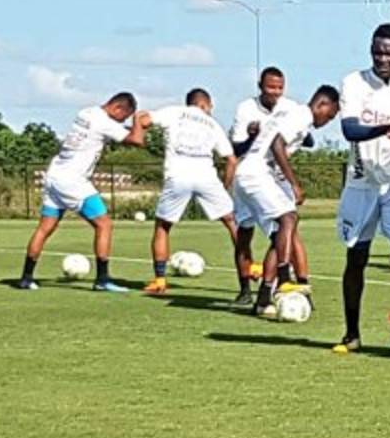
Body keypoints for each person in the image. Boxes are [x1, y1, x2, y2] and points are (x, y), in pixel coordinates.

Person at [332, 24, 390, 353]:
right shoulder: (353, 83)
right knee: (356, 258)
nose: (382, 58)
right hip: (361, 185)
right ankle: (351, 334)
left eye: (389, 52)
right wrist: (389, 127)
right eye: (377, 51)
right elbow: (350, 129)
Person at [18, 92, 150, 292]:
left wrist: (128, 125)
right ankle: (102, 280)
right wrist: (138, 122)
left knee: (45, 228)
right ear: (118, 109)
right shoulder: (103, 122)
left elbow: (116, 130)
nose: (122, 121)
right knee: (104, 224)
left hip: (54, 175)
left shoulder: (86, 112)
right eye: (123, 116)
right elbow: (137, 140)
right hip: (72, 181)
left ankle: (26, 278)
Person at [234, 85, 340, 316]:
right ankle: (283, 279)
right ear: (322, 104)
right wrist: (294, 183)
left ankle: (263, 299)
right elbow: (277, 144)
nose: (327, 121)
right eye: (330, 115)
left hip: (248, 174)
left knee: (282, 235)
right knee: (289, 218)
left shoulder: (291, 114)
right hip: (255, 173)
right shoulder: (302, 115)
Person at [229, 67, 313, 307]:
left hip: (273, 178)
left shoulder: (290, 108)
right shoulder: (246, 108)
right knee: (246, 234)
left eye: (279, 87)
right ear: (260, 86)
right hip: (249, 176)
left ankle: (284, 290)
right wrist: (252, 137)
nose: (275, 92)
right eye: (270, 87)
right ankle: (247, 289)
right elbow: (237, 150)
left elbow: (307, 138)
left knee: (286, 229)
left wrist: (300, 136)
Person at [144, 88, 238, 295]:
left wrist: (136, 134)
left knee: (163, 226)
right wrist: (226, 187)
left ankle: (159, 280)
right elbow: (231, 159)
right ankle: (249, 267)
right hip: (206, 176)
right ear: (205, 104)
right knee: (232, 222)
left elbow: (144, 119)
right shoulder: (212, 123)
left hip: (178, 176)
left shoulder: (174, 112)